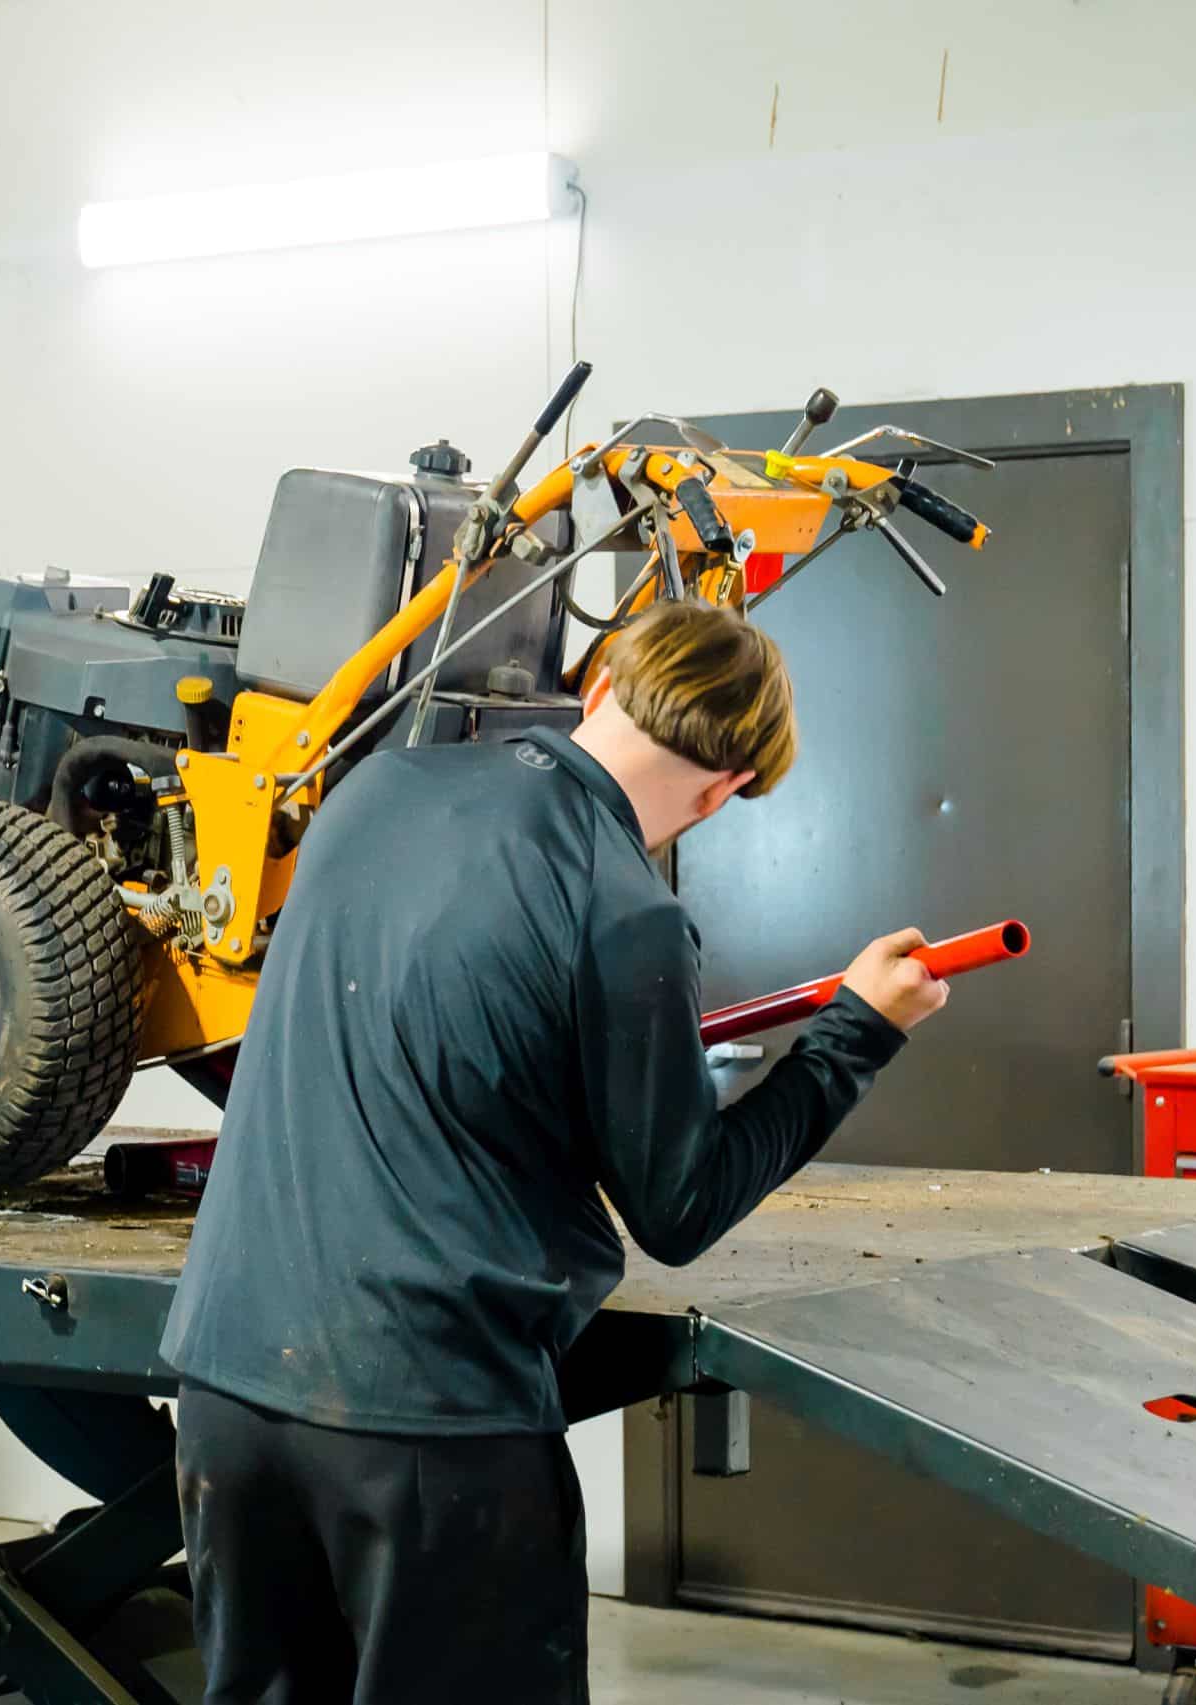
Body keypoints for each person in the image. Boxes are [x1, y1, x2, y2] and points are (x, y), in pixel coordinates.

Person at [159, 600, 951, 1705]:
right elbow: (680, 1206)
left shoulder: (373, 793)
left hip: (226, 1389)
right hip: (430, 1429)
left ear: (598, 692)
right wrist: (856, 1032)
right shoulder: (625, 910)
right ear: (725, 790)